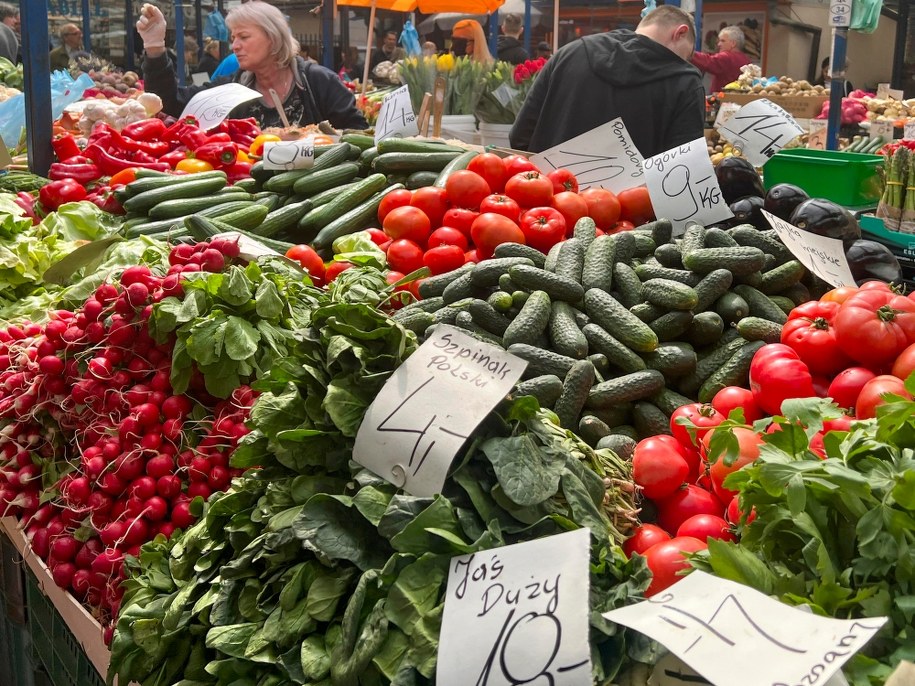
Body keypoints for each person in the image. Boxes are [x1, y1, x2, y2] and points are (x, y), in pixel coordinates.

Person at [510, 6, 704, 159]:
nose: (683, 63)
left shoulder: (569, 52)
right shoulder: (685, 82)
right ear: (680, 32)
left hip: (549, 202)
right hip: (631, 207)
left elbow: (519, 136)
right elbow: (683, 172)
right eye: (685, 56)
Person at [137, 1, 367, 130]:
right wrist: (155, 46)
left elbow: (358, 133)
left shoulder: (319, 81)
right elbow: (170, 102)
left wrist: (320, 144)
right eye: (233, 38)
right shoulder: (232, 87)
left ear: (273, 38)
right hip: (251, 202)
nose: (235, 46)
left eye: (244, 37)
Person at [690, 25, 751, 92]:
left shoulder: (727, 57)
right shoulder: (746, 60)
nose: (719, 44)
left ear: (733, 43)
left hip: (722, 100)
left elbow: (708, 61)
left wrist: (688, 52)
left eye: (722, 41)